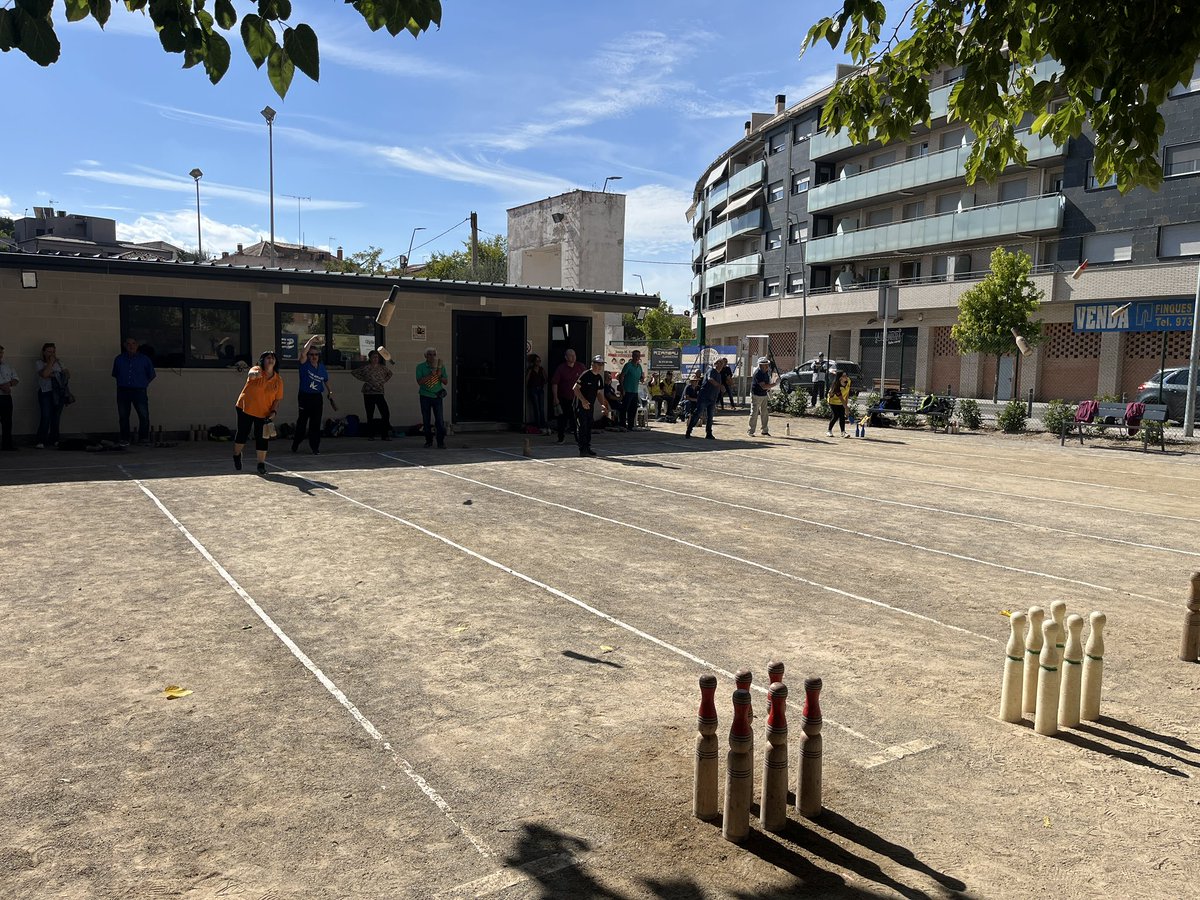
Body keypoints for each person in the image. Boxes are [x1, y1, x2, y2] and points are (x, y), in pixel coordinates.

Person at [234, 350, 284, 474]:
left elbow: (277, 400)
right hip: (245, 408)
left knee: (262, 438)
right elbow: (251, 373)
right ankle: (236, 455)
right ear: (263, 361)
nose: (270, 360)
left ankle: (261, 464)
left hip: (264, 412)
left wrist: (274, 412)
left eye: (273, 358)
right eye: (268, 358)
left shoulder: (278, 380)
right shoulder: (257, 370)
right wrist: (254, 375)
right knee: (243, 433)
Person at [292, 336, 334, 454]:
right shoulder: (304, 365)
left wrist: (330, 392)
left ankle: (315, 447)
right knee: (302, 422)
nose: (314, 356)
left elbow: (325, 380)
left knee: (315, 423)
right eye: (311, 354)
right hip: (305, 396)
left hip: (317, 397)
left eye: (316, 354)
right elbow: (303, 352)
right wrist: (311, 340)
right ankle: (296, 442)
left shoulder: (321, 368)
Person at [111, 336, 156, 446]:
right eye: (128, 344)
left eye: (133, 343)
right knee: (123, 416)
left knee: (143, 415)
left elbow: (151, 375)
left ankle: (144, 438)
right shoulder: (119, 359)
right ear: (125, 346)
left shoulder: (145, 359)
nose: (131, 346)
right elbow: (116, 374)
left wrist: (142, 383)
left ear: (137, 345)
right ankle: (125, 438)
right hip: (123, 390)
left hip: (139, 390)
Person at [352, 349, 394, 441]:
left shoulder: (382, 368)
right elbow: (354, 372)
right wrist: (365, 379)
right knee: (370, 413)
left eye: (377, 357)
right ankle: (371, 434)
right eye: (374, 357)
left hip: (379, 392)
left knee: (385, 413)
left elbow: (390, 374)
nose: (376, 359)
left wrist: (383, 381)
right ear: (370, 358)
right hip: (369, 393)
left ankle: (385, 434)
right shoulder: (366, 368)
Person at [572, 355, 609, 457]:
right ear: (593, 364)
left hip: (590, 405)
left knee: (589, 426)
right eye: (598, 364)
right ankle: (582, 449)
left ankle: (588, 447)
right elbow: (575, 388)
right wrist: (583, 400)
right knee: (582, 426)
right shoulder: (585, 374)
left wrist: (602, 405)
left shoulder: (598, 378)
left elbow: (598, 393)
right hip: (580, 405)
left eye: (601, 364)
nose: (600, 366)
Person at [35, 342, 68, 449]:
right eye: (49, 351)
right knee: (45, 416)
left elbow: (67, 374)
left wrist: (54, 374)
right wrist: (50, 363)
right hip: (46, 392)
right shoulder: (39, 363)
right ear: (44, 352)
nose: (51, 354)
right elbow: (44, 374)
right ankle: (41, 440)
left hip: (59, 393)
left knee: (56, 417)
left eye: (53, 351)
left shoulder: (60, 362)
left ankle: (55, 439)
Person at [549, 349, 585, 444]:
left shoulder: (580, 367)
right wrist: (555, 397)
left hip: (577, 398)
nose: (573, 357)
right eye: (570, 355)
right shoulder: (561, 368)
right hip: (564, 398)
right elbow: (555, 383)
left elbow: (586, 380)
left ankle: (579, 439)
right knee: (562, 419)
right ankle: (561, 438)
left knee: (577, 419)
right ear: (566, 357)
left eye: (574, 355)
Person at [415, 347, 448, 448]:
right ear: (425, 356)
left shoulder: (440, 366)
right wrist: (430, 375)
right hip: (425, 396)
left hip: (437, 396)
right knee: (426, 419)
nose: (432, 357)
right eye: (429, 354)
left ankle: (440, 442)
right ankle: (428, 440)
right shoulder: (420, 367)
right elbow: (419, 382)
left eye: (434, 354)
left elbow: (445, 381)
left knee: (439, 419)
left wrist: (439, 376)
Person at [686, 357, 726, 439]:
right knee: (698, 413)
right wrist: (720, 386)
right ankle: (689, 430)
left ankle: (709, 433)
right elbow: (710, 379)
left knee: (710, 416)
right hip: (704, 397)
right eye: (720, 363)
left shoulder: (719, 374)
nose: (722, 365)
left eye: (723, 364)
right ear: (716, 364)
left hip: (713, 398)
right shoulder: (711, 371)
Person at [618, 350, 645, 430]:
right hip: (627, 390)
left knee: (633, 409)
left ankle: (630, 425)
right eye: (635, 356)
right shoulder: (628, 365)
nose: (637, 357)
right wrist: (622, 388)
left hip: (635, 391)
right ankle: (622, 425)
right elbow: (621, 376)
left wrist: (642, 378)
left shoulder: (639, 366)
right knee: (624, 408)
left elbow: (641, 377)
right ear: (632, 356)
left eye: (638, 356)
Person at [748, 356, 773, 437]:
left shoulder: (766, 372)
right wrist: (775, 384)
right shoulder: (758, 373)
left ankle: (764, 430)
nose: (767, 366)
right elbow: (763, 386)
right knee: (754, 413)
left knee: (765, 413)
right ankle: (751, 431)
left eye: (767, 364)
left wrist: (769, 391)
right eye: (765, 365)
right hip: (756, 395)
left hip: (763, 394)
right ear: (760, 365)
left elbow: (767, 384)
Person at [0, 345, 18, 451]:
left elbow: (16, 378)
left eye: (1, 352)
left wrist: (10, 384)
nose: (0, 355)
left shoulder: (7, 366)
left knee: (7, 422)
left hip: (6, 398)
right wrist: (2, 386)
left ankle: (7, 445)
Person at [526, 353, 548, 434]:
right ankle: (538, 424)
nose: (538, 363)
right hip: (533, 389)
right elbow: (527, 380)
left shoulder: (541, 369)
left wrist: (542, 383)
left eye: (539, 361)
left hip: (540, 389)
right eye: (537, 361)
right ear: (533, 362)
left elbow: (546, 378)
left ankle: (542, 423)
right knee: (536, 407)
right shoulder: (530, 370)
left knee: (541, 408)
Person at [827, 371, 852, 438]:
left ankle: (843, 432)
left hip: (841, 402)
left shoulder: (849, 381)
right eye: (844, 376)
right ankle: (829, 431)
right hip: (833, 401)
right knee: (836, 415)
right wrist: (846, 408)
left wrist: (846, 404)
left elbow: (847, 394)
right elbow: (841, 398)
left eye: (846, 375)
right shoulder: (836, 386)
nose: (846, 377)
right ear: (840, 378)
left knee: (842, 416)